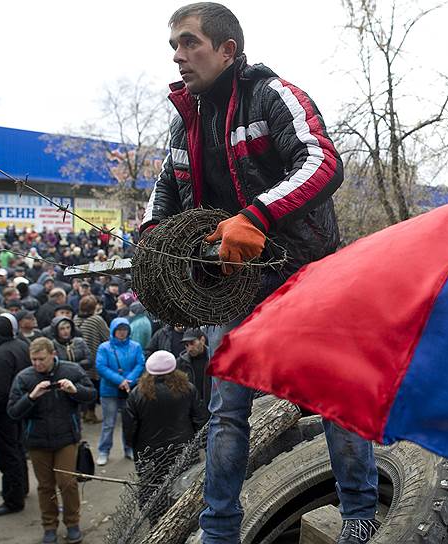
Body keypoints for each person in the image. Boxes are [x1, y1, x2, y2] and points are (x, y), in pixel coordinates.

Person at [142, 5, 378, 543]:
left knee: (334, 395)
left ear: (227, 50)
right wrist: (155, 231)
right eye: (173, 46)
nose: (177, 55)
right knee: (227, 411)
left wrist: (255, 216)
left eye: (188, 42)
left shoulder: (273, 95)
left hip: (307, 277)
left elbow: (322, 161)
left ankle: (360, 515)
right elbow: (167, 191)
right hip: (233, 291)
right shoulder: (185, 123)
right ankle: (219, 531)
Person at [8, 337, 95, 544]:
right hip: (37, 441)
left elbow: (91, 394)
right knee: (45, 486)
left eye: (42, 359)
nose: (37, 364)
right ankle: (49, 526)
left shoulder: (71, 370)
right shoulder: (24, 377)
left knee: (67, 483)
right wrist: (31, 397)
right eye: (34, 359)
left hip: (66, 437)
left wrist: (75, 391)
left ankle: (72, 523)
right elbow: (12, 412)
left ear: (53, 355)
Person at [123, 351, 207, 518]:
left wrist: (133, 445)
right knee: (185, 486)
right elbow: (200, 419)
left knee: (153, 488)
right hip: (184, 450)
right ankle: (183, 520)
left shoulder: (137, 393)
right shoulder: (188, 389)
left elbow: (130, 428)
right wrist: (203, 444)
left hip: (150, 454)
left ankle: (156, 522)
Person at [0, 313, 31, 517]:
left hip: (5, 413)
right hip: (20, 408)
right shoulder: (20, 345)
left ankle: (13, 498)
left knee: (8, 455)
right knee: (18, 450)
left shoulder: (1, 354)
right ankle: (21, 488)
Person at [95, 317, 145, 464]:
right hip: (109, 390)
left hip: (129, 389)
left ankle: (129, 447)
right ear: (113, 331)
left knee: (129, 422)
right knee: (108, 423)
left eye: (125, 329)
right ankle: (104, 450)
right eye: (119, 330)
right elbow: (101, 367)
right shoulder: (104, 347)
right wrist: (120, 381)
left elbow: (140, 364)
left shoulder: (135, 346)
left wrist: (129, 380)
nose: (122, 333)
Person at [75, 295, 108, 423]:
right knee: (93, 385)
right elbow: (106, 337)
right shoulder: (96, 320)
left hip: (79, 359)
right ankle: (91, 413)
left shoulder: (75, 319)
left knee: (82, 385)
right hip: (93, 358)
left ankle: (83, 413)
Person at [177, 328, 212, 407]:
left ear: (202, 340)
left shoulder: (214, 358)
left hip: (211, 408)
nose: (189, 348)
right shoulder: (180, 363)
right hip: (190, 409)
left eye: (192, 343)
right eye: (186, 345)